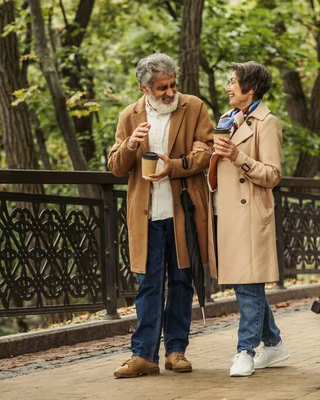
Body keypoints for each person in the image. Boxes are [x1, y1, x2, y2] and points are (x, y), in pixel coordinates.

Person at [108, 53, 213, 378]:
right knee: (148, 285)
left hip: (183, 212)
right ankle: (144, 356)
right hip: (147, 216)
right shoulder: (130, 116)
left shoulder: (193, 107)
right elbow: (115, 167)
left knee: (182, 282)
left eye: (172, 84)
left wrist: (176, 166)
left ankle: (176, 351)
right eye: (161, 87)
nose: (170, 92)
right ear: (144, 87)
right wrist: (129, 145)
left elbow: (208, 149)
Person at [206, 61, 290, 377]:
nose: (228, 87)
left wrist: (237, 157)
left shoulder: (267, 123)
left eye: (232, 82)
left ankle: (246, 350)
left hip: (250, 214)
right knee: (247, 285)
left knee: (247, 285)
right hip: (226, 211)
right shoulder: (226, 119)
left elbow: (272, 174)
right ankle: (274, 343)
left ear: (249, 88)